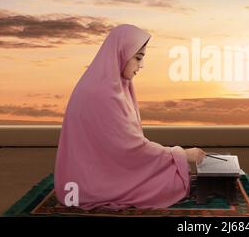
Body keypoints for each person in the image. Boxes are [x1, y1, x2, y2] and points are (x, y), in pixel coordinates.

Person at [54, 24, 206, 210]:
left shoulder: (113, 84)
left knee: (171, 175)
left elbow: (125, 147)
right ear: (122, 54)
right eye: (138, 58)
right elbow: (131, 148)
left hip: (101, 170)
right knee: (171, 183)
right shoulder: (102, 93)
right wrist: (181, 154)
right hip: (89, 183)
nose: (141, 66)